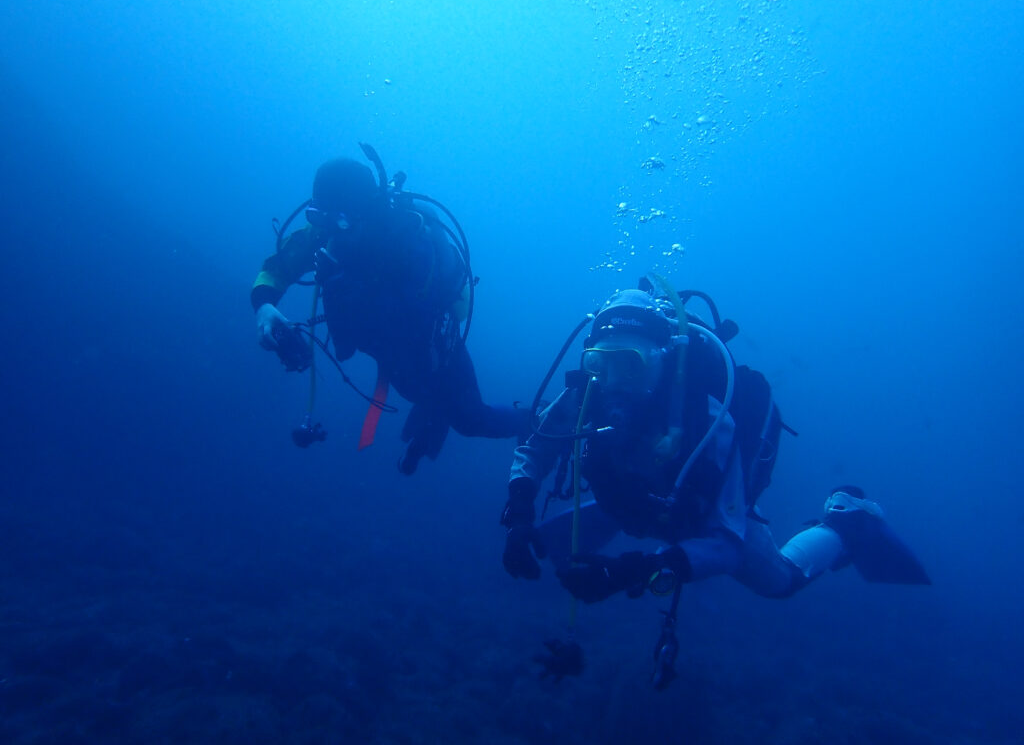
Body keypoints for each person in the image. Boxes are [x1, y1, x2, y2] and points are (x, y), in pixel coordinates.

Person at [500, 286, 929, 681]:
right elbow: (537, 447)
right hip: (630, 505)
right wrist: (519, 511)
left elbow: (727, 543)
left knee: (780, 582)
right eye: (599, 362)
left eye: (629, 365)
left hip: (702, 517)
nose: (612, 382)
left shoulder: (706, 418)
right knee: (548, 547)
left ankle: (846, 519)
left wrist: (635, 569)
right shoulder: (588, 391)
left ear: (662, 359)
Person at [252, 146, 529, 473]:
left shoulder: (406, 236)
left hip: (435, 346)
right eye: (318, 217)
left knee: (471, 420)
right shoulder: (329, 227)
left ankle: (539, 419)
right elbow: (278, 269)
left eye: (336, 220)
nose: (327, 228)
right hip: (386, 349)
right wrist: (265, 307)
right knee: (417, 393)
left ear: (365, 209)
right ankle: (432, 415)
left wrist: (345, 287)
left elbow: (414, 316)